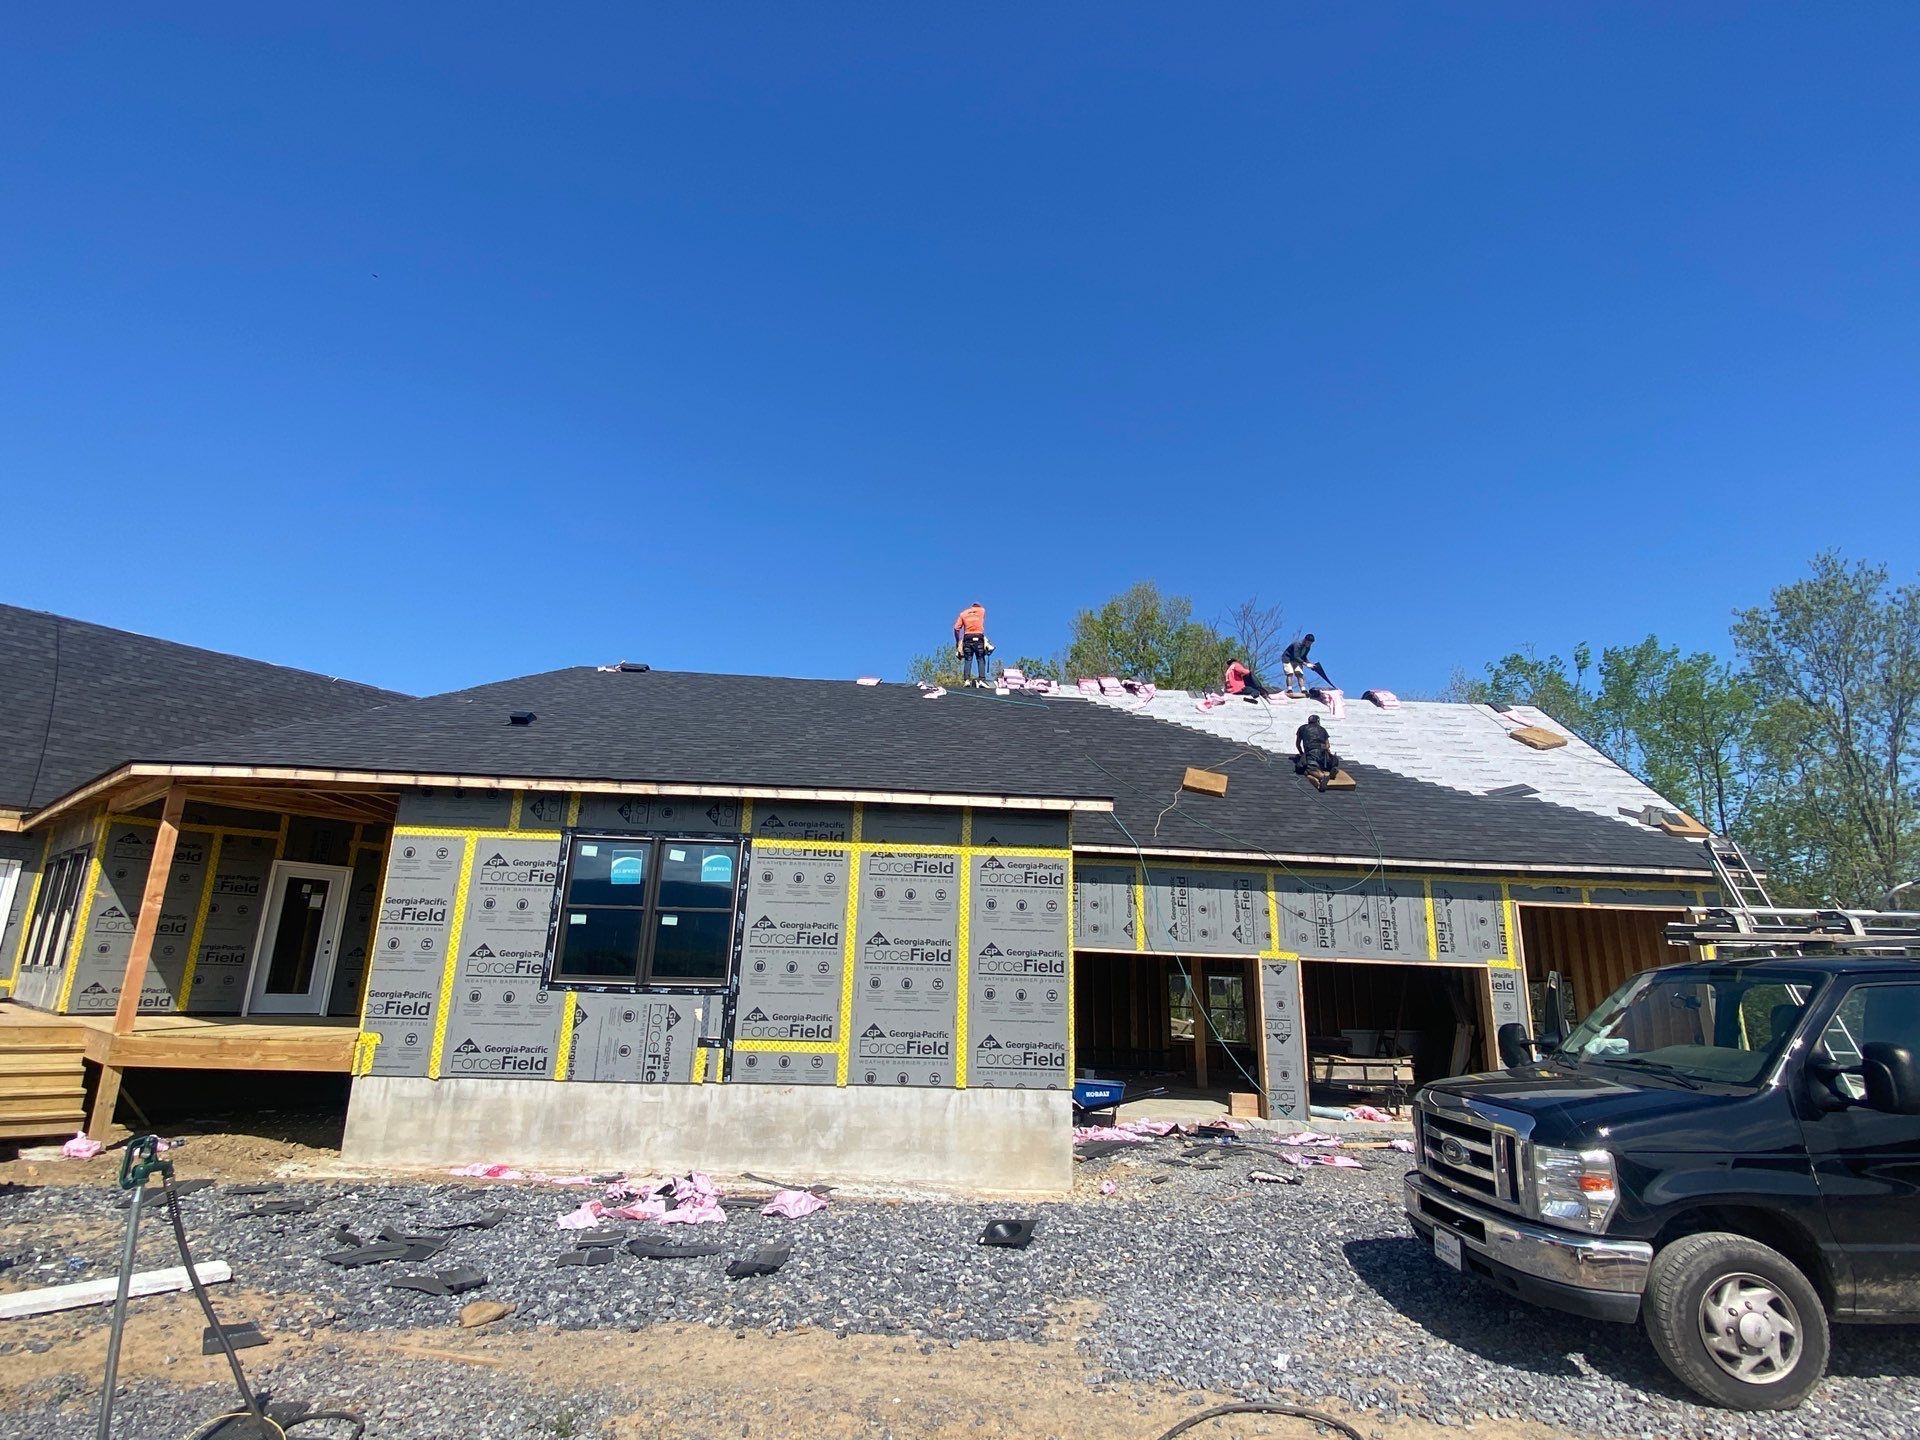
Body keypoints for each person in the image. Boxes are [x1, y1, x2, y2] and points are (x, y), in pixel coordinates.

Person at [953, 601, 993, 687]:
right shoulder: (982, 611)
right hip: (978, 636)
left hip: (967, 637)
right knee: (980, 658)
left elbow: (956, 628)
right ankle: (982, 680)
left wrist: (958, 641)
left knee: (968, 659)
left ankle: (967, 680)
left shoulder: (963, 614)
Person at [1294, 714, 1342, 780]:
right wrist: (1329, 754)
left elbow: (1298, 744)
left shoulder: (1302, 728)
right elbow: (1327, 745)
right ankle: (1331, 768)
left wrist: (1301, 753)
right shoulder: (1323, 729)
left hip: (1311, 752)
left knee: (1309, 768)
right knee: (1327, 763)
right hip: (1323, 752)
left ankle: (1323, 777)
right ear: (1318, 721)